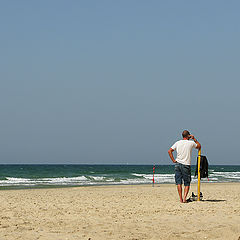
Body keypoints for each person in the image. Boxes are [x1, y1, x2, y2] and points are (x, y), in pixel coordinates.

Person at [168, 130, 201, 203]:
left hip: (178, 164)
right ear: (188, 136)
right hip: (186, 164)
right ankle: (184, 198)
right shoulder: (191, 143)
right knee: (187, 182)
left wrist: (173, 160)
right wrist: (194, 139)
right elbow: (199, 146)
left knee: (179, 182)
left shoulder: (178, 143)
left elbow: (169, 151)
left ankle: (180, 199)